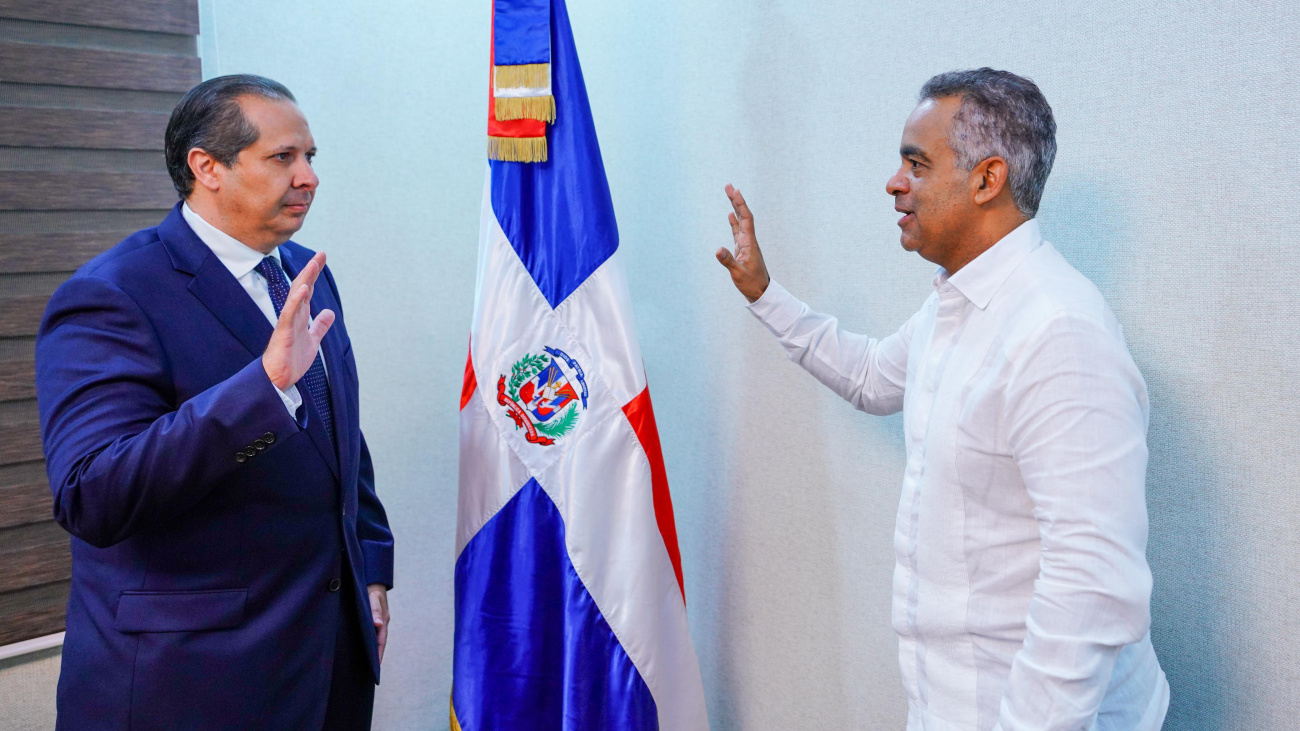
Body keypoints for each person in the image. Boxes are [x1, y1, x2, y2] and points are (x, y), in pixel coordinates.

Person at [716, 68, 1168, 730]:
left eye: (916, 164)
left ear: (987, 180)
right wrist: (765, 294)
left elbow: (1091, 586)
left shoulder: (1059, 333)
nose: (894, 183)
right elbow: (873, 377)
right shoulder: (956, 304)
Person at [36, 75, 393, 730]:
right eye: (282, 157)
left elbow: (337, 441)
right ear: (207, 168)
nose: (308, 177)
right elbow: (92, 494)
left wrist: (370, 570)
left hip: (325, 661)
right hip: (190, 683)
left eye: (310, 156)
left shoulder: (305, 271)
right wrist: (263, 389)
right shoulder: (112, 294)